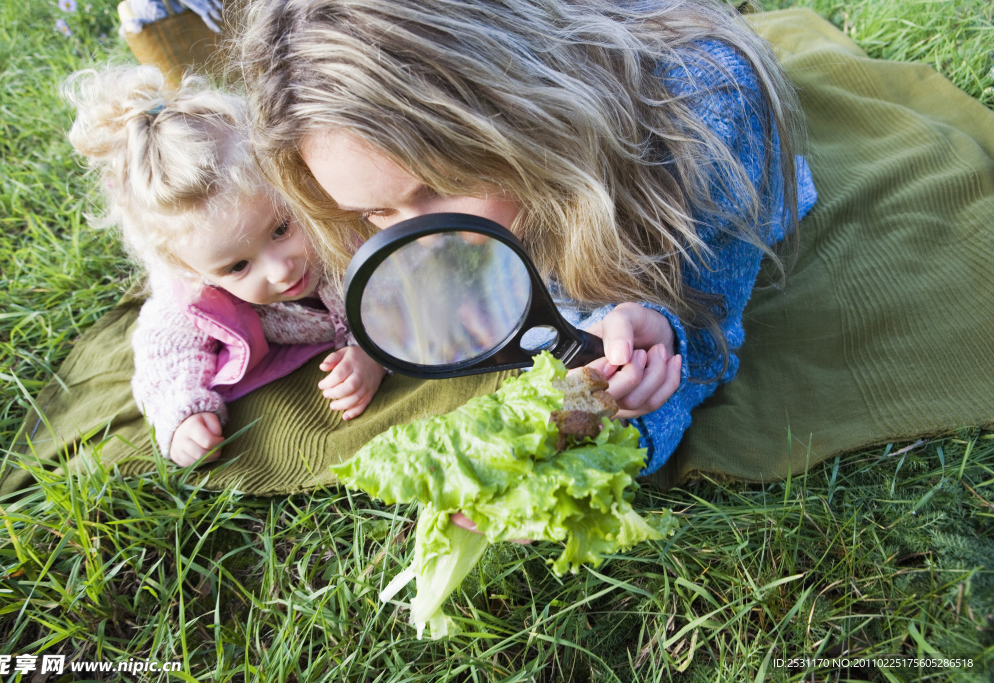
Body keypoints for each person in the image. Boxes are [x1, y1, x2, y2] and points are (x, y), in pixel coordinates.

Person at [236, 0, 818, 476]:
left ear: (519, 113)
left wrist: (656, 345)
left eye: (448, 182)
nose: (427, 242)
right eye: (373, 214)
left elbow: (705, 318)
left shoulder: (709, 110)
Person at [63, 65, 387, 467]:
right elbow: (164, 352)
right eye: (237, 267)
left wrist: (374, 351)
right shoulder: (195, 292)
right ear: (192, 270)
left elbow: (411, 282)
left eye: (281, 229)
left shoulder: (343, 226)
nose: (279, 270)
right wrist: (184, 414)